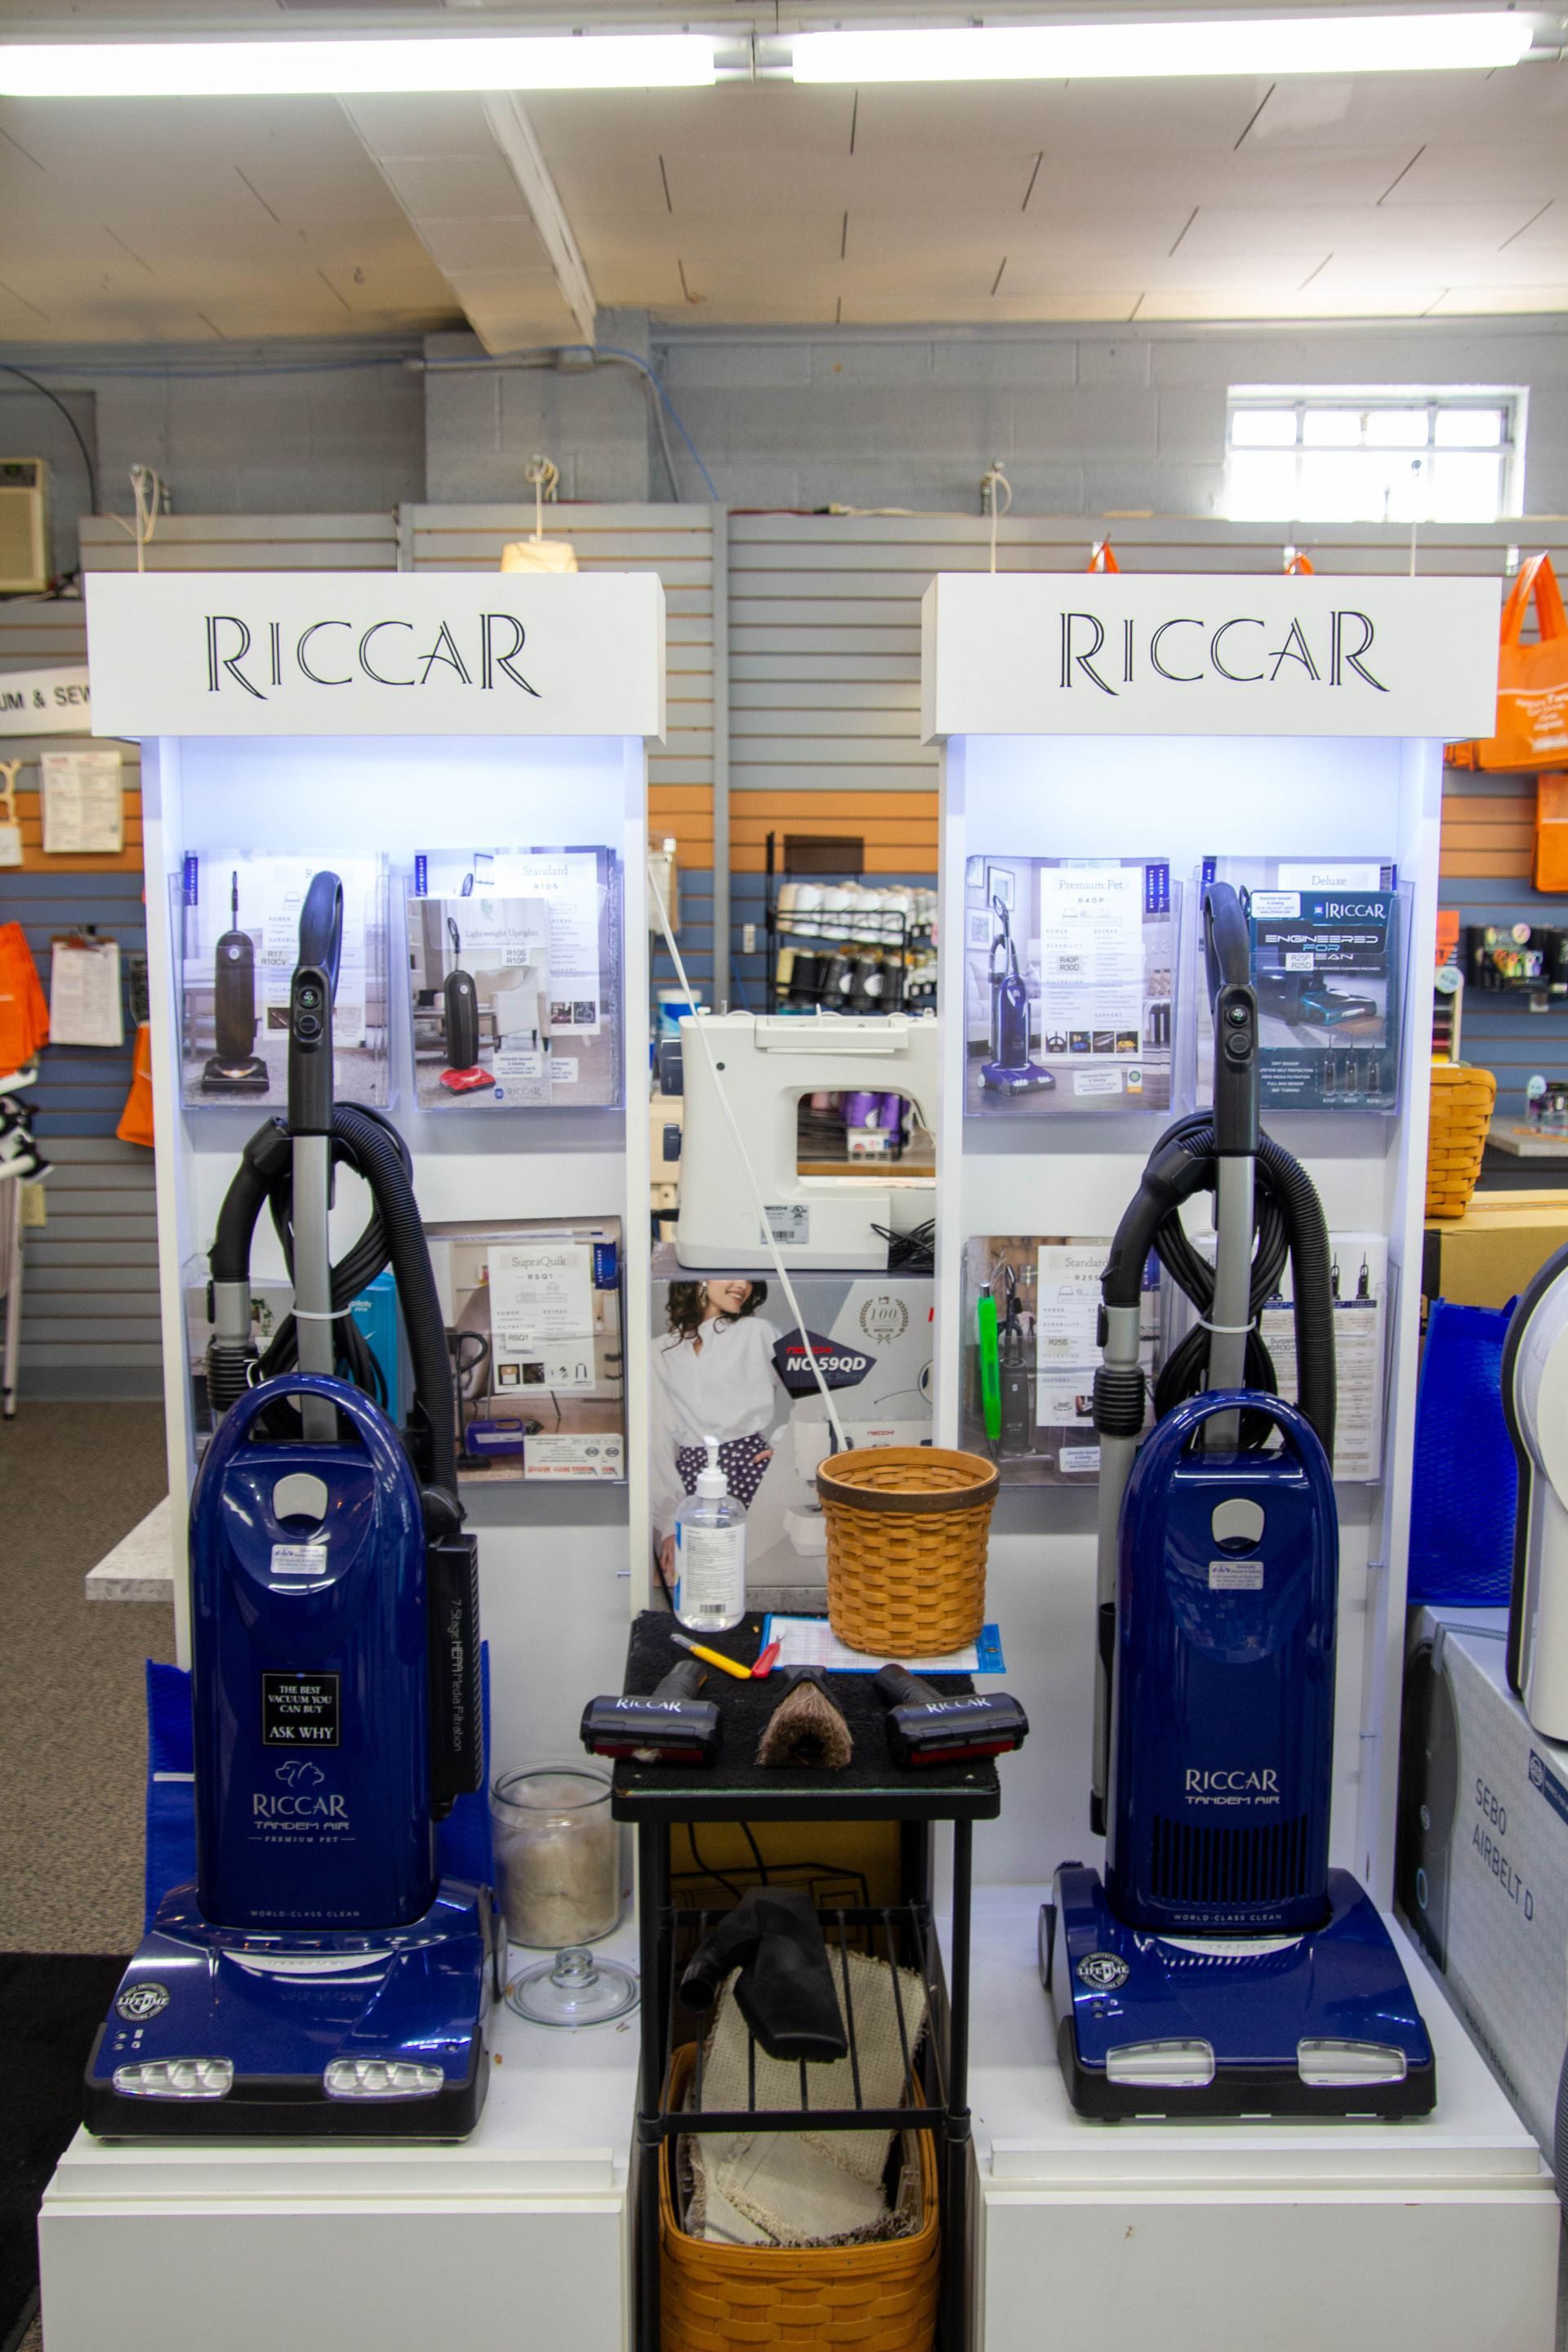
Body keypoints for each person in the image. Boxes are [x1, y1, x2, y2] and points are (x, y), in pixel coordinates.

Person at [650, 1278, 782, 1587]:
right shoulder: (658, 1351)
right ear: (700, 1278)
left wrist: (784, 1445)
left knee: (758, 1578)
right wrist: (669, 1522)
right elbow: (657, 1437)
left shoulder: (758, 1332)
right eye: (732, 1274)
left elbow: (815, 1395)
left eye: (749, 1279)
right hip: (690, 1482)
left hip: (751, 1469)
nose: (743, 1285)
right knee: (695, 1585)